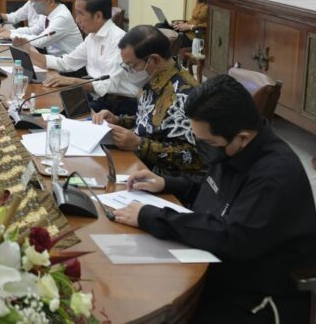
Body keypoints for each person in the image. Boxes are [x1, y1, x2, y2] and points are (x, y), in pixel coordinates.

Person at [114, 75, 316, 322]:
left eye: (208, 142)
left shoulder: (273, 176)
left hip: (254, 295)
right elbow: (215, 189)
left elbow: (231, 236)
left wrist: (151, 216)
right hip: (212, 268)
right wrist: (167, 183)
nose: (205, 148)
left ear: (242, 137)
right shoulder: (238, 149)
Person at [92, 25, 204, 175]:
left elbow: (193, 156)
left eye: (132, 66)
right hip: (139, 165)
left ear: (154, 60)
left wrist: (139, 145)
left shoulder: (185, 95)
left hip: (165, 179)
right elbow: (151, 122)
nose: (129, 72)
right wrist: (119, 120)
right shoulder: (152, 79)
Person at [30, 0, 144, 115]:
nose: (77, 19)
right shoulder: (92, 36)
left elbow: (110, 85)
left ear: (98, 16)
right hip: (96, 96)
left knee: (56, 115)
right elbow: (66, 62)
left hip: (118, 104)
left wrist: (73, 81)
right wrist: (30, 54)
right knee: (49, 106)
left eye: (80, 14)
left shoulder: (119, 40)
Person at [2, 0, 82, 56]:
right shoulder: (46, 12)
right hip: (54, 58)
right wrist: (9, 31)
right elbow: (34, 31)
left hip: (70, 66)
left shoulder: (62, 17)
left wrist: (11, 35)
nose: (32, 4)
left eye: (36, 0)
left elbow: (40, 41)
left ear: (50, 1)